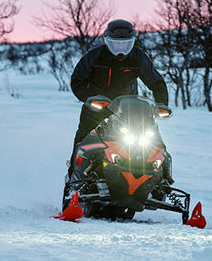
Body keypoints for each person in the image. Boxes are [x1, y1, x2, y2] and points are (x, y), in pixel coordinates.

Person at [67, 19, 172, 183]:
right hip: (96, 109)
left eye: (125, 44)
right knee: (83, 140)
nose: (120, 49)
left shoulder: (138, 57)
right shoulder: (95, 56)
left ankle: (162, 179)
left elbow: (156, 81)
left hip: (129, 111)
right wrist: (89, 98)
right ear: (107, 41)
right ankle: (74, 179)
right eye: (116, 44)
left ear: (132, 42)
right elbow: (77, 80)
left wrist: (161, 104)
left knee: (154, 140)